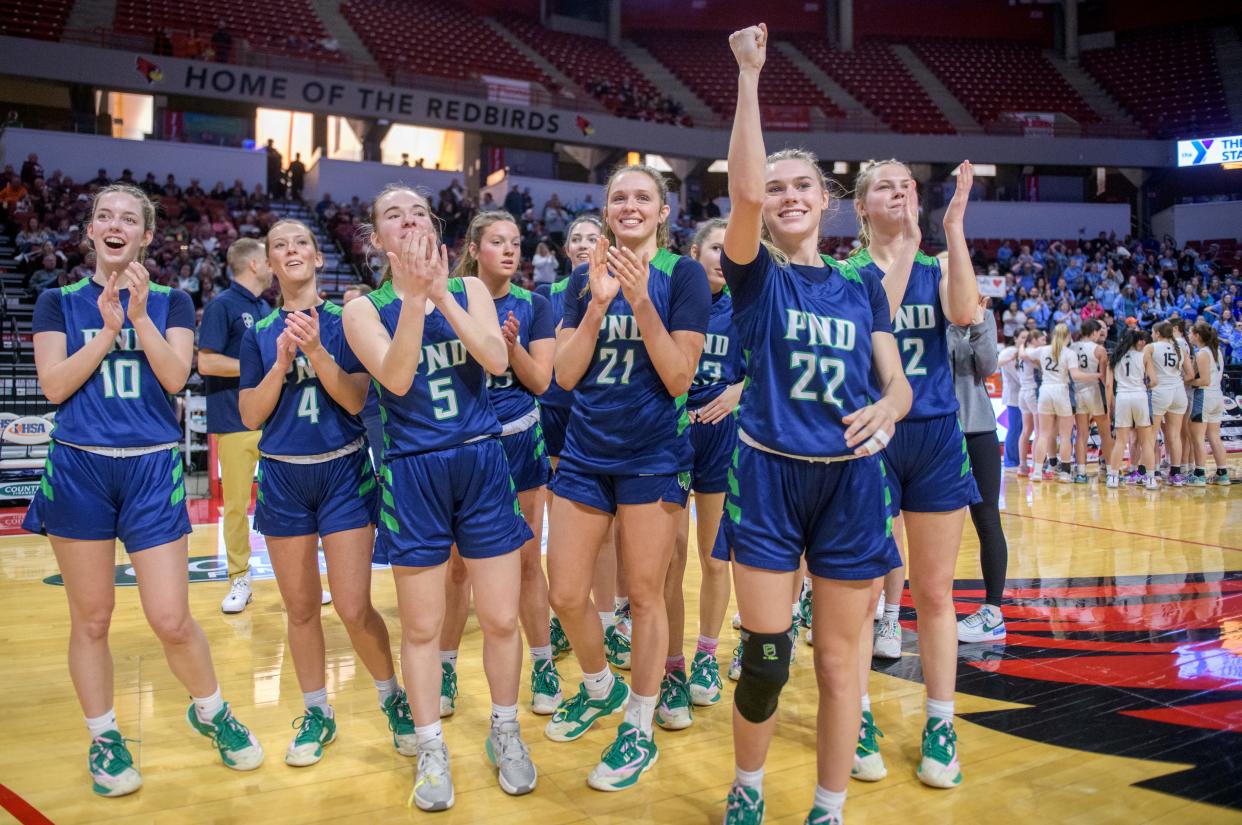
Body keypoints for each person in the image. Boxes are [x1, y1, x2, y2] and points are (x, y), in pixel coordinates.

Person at [717, 24, 909, 824]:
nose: (789, 195)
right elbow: (747, 193)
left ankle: (827, 808)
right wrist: (751, 76)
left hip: (850, 484)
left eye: (805, 185)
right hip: (766, 476)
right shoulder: (754, 275)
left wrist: (892, 409)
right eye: (780, 185)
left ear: (828, 201)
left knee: (841, 666)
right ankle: (749, 788)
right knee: (766, 659)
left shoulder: (861, 285)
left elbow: (894, 381)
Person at [23, 184, 263, 797]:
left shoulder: (173, 302)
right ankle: (105, 737)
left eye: (128, 218)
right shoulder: (58, 302)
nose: (114, 224)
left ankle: (212, 711)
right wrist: (104, 333)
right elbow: (53, 387)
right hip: (81, 466)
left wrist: (134, 318)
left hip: (152, 468)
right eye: (104, 215)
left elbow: (177, 377)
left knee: (171, 617)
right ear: (91, 231)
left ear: (146, 236)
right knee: (94, 617)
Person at [342, 185, 536, 810]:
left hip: (482, 459)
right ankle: (430, 747)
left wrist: (441, 296)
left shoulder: (472, 289)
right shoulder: (361, 308)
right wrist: (412, 301)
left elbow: (495, 360)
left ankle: (505, 732)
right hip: (413, 471)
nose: (408, 221)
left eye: (418, 212)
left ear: (435, 229)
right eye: (392, 214)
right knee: (423, 627)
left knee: (502, 617)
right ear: (377, 239)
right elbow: (395, 377)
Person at [542, 161, 709, 792]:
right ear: (607, 210)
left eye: (643, 197)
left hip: (652, 456)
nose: (630, 206)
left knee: (644, 595)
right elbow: (563, 375)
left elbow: (678, 377)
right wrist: (596, 306)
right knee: (565, 593)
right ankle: (600, 686)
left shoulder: (683, 275)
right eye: (619, 198)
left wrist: (639, 301)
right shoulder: (583, 278)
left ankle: (638, 725)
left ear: (663, 212)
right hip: (585, 453)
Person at [236, 220, 414, 766]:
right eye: (279, 245)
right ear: (269, 263)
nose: (290, 251)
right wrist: (282, 363)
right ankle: (318, 712)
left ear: (317, 259)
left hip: (342, 471)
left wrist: (313, 351)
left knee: (355, 607)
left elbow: (357, 399)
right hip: (284, 477)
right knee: (300, 607)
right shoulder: (259, 332)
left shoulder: (344, 321)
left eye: (300, 244)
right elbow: (250, 414)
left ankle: (393, 698)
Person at [846, 156, 979, 790]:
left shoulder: (937, 261)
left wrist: (953, 227)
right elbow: (876, 322)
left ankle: (941, 722)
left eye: (907, 186)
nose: (899, 194)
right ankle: (858, 715)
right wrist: (902, 254)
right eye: (884, 188)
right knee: (861, 595)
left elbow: (964, 314)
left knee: (934, 592)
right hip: (868, 436)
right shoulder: (844, 274)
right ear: (861, 206)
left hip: (933, 434)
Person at [437, 211, 560, 719]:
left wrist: (509, 348)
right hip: (467, 446)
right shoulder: (447, 300)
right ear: (474, 247)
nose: (511, 250)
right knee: (458, 565)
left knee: (530, 562)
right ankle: (443, 665)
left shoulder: (535, 305)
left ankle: (543, 662)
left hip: (519, 439)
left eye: (516, 242)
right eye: (497, 242)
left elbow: (541, 383)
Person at [660, 217, 743, 727]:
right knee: (669, 563)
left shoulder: (749, 306)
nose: (721, 258)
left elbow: (770, 365)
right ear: (694, 252)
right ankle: (671, 667)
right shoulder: (673, 300)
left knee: (715, 559)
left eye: (728, 250)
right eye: (714, 248)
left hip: (723, 437)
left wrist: (740, 390)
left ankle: (707, 655)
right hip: (671, 434)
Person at [536, 215, 622, 657]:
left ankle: (606, 618)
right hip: (555, 411)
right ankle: (564, 616)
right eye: (577, 239)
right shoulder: (547, 296)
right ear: (566, 249)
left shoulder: (622, 287)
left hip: (598, 415)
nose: (585, 244)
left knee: (606, 533)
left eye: (593, 237)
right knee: (562, 525)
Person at [198, 238, 273, 613]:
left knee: (286, 503)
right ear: (255, 264)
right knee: (236, 506)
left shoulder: (266, 307)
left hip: (273, 419)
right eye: (269, 259)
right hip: (234, 419)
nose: (275, 265)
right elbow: (207, 364)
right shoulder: (222, 305)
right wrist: (258, 368)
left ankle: (298, 579)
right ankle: (239, 578)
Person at [949, 296, 1010, 643]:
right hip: (937, 430)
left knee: (987, 518)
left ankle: (993, 611)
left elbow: (986, 365)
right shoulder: (927, 320)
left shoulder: (977, 318)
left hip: (978, 429)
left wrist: (978, 322)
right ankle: (890, 607)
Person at [1023, 323, 1093, 482]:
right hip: (1061, 391)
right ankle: (1065, 473)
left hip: (1045, 391)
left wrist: (1021, 346)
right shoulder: (1069, 353)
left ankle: (1037, 472)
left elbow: (1026, 354)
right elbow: (1075, 375)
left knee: (1043, 435)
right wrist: (1095, 375)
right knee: (1065, 436)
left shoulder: (1043, 349)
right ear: (1068, 337)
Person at [1106, 329, 1156, 489]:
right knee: (1146, 442)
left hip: (1122, 397)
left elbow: (1108, 385)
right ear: (1137, 342)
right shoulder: (1144, 356)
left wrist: (1109, 408)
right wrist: (1143, 385)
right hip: (1139, 396)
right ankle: (1150, 479)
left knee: (1120, 441)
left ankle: (1113, 477)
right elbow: (1154, 381)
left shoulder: (1114, 358)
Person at [1149, 321, 1194, 485]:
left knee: (1151, 435)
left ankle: (1153, 471)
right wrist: (1176, 382)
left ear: (1158, 333)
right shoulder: (1180, 348)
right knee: (1175, 435)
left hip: (1160, 391)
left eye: (1153, 332)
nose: (1152, 335)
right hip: (1178, 392)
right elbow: (1190, 375)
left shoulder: (1151, 347)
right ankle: (1176, 474)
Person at [1187, 320, 1231, 486]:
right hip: (1217, 396)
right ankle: (1222, 473)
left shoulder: (1202, 353)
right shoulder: (1216, 351)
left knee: (1198, 438)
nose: (1190, 336)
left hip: (1204, 396)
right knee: (1214, 436)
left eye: (1191, 333)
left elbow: (1204, 380)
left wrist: (1189, 383)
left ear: (1197, 335)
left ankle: (1199, 474)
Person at [1071, 319, 1114, 483]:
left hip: (1077, 391)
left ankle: (1081, 472)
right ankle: (1111, 471)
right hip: (1094, 391)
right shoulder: (1099, 349)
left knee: (1081, 434)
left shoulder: (1072, 347)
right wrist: (1110, 399)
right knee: (1105, 433)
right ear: (1095, 332)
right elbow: (1104, 378)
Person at [998, 332, 1023, 468]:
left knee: (1022, 430)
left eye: (1027, 337)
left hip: (1023, 397)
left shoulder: (1023, 352)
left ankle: (1018, 459)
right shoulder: (1009, 352)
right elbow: (1018, 377)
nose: (1025, 340)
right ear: (1015, 338)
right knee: (1014, 429)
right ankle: (1011, 460)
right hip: (1014, 397)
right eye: (1022, 337)